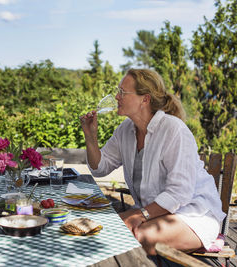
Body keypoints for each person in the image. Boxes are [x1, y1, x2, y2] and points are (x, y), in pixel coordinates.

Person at [80, 69, 225, 255]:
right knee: (106, 227)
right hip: (156, 214)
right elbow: (100, 168)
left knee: (137, 236)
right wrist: (90, 137)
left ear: (145, 99)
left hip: (194, 214)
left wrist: (138, 215)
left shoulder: (174, 130)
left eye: (123, 92)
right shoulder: (125, 130)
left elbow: (179, 193)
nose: (116, 96)